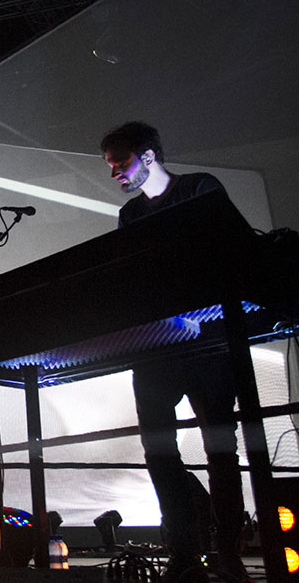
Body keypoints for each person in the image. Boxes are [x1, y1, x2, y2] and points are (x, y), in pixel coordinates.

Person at [101, 122, 252, 582]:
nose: (114, 173)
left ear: (149, 156)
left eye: (121, 162)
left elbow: (238, 247)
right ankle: (185, 551)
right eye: (110, 165)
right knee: (158, 450)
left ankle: (227, 552)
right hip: (158, 348)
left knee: (219, 448)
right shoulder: (131, 215)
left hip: (208, 342)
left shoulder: (200, 189)